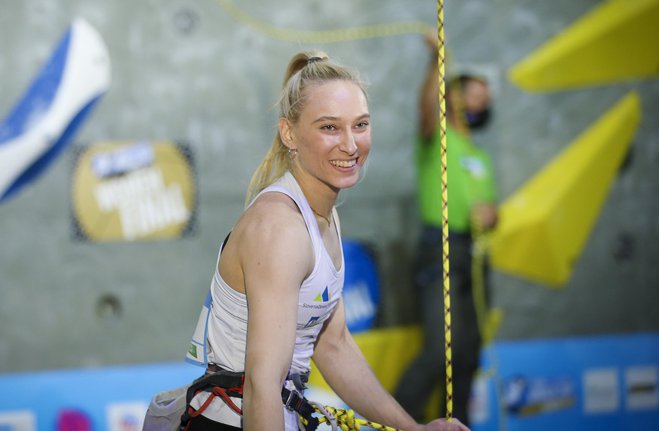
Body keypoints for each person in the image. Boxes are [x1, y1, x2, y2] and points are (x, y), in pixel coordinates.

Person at [182, 51, 470, 431]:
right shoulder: (281, 228)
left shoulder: (325, 215)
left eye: (361, 125)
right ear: (289, 133)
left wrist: (413, 430)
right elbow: (263, 386)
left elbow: (333, 345)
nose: (351, 145)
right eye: (330, 128)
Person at [394, 32, 498, 426]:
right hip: (439, 250)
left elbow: (491, 208)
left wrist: (493, 216)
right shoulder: (436, 138)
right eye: (475, 93)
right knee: (440, 350)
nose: (482, 103)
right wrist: (437, 61)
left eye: (486, 100)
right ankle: (396, 422)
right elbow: (427, 109)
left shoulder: (480, 156)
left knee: (469, 352)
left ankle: (455, 424)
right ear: (452, 95)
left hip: (475, 254)